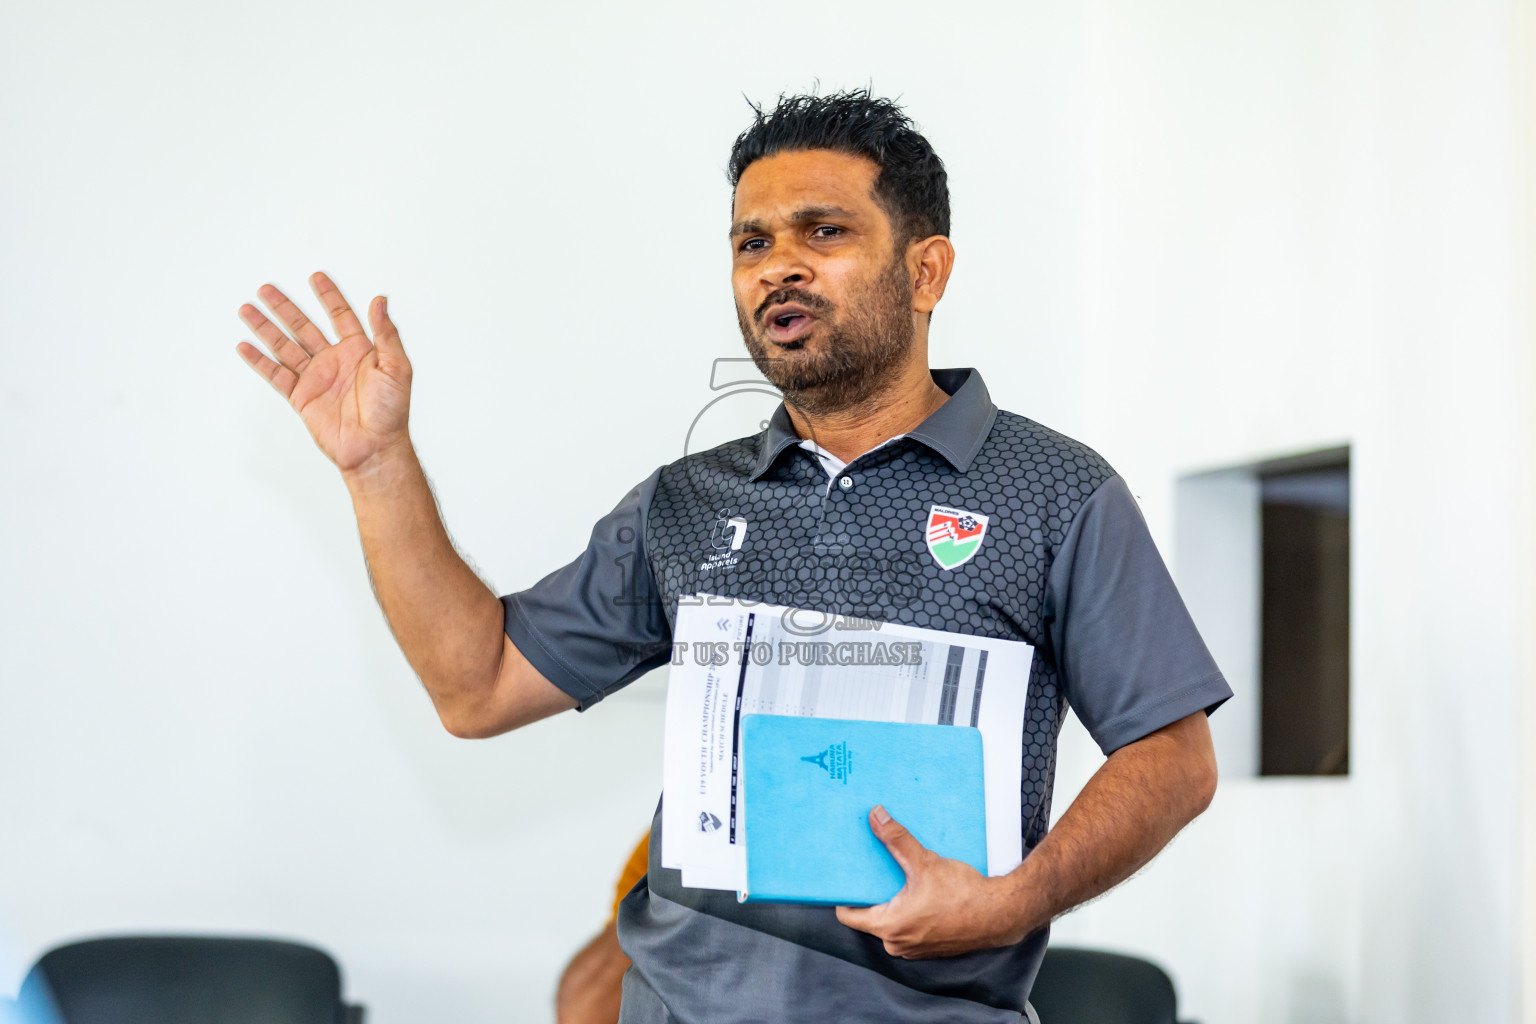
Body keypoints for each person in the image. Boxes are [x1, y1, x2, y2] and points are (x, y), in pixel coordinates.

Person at [234, 89, 1231, 1023]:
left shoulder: (1054, 492)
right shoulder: (686, 502)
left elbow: (1174, 757)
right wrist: (376, 464)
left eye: (823, 232)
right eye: (751, 242)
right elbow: (476, 685)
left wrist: (1016, 901)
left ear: (926, 270)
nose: (776, 266)